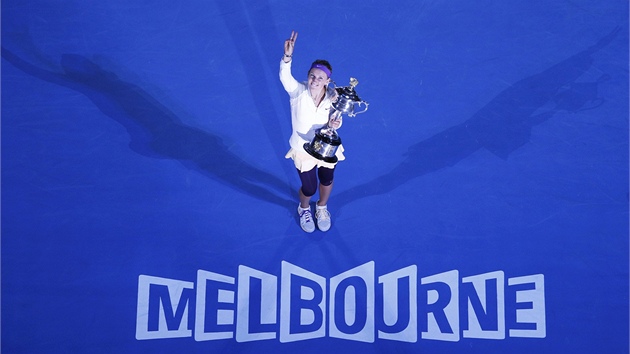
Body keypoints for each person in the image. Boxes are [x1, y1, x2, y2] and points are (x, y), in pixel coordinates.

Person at [279, 30, 343, 233]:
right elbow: (284, 76)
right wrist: (287, 57)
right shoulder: (297, 92)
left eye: (320, 77)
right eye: (312, 75)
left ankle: (322, 207)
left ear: (327, 81)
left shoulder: (332, 97)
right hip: (303, 150)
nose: (315, 80)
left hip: (325, 147)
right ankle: (304, 207)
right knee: (309, 188)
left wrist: (335, 124)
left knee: (327, 179)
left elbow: (336, 119)